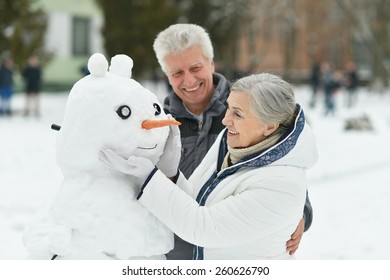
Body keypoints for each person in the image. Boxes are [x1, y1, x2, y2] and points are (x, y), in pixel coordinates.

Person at [100, 72, 318, 259]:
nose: (225, 120)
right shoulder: (233, 141)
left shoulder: (282, 185)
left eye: (238, 114)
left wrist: (149, 178)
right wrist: (170, 174)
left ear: (269, 126)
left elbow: (203, 227)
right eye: (229, 108)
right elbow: (196, 201)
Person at [151, 23, 313, 259]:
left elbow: (286, 164)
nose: (189, 80)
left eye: (196, 67)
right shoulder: (160, 125)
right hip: (176, 253)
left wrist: (301, 213)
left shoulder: (249, 109)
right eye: (177, 73)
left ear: (211, 63)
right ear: (167, 75)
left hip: (232, 252)